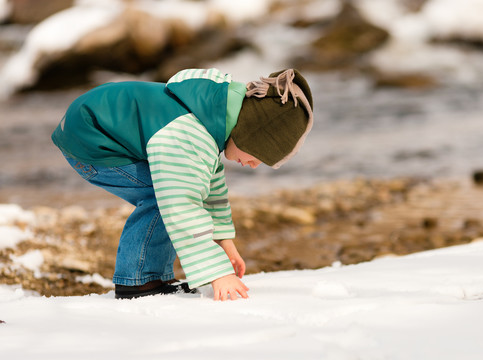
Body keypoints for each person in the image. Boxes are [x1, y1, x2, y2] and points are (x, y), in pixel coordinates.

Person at [51, 68, 314, 301]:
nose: (255, 165)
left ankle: (152, 277)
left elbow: (210, 188)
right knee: (161, 195)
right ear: (251, 136)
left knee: (176, 186)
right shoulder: (189, 135)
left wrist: (223, 242)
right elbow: (181, 204)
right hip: (91, 138)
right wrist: (217, 273)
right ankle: (138, 282)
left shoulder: (211, 115)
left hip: (95, 122)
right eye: (259, 157)